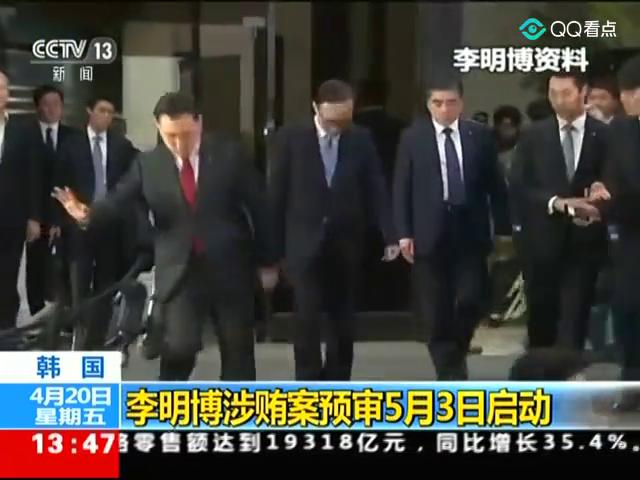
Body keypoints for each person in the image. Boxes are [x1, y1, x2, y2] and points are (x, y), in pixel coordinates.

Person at [54, 92, 277, 380]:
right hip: (179, 273)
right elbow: (118, 199)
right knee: (178, 349)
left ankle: (236, 407)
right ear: (158, 128)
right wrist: (87, 214)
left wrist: (268, 261)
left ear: (199, 123)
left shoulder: (229, 155)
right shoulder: (148, 164)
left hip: (229, 268)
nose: (180, 144)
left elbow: (260, 206)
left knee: (238, 353)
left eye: (186, 134)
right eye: (171, 136)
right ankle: (168, 403)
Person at [269, 79, 398, 381]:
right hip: (303, 242)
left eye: (344, 120)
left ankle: (338, 381)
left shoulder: (361, 138)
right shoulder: (291, 138)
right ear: (316, 108)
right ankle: (308, 382)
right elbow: (276, 194)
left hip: (346, 241)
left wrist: (389, 233)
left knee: (343, 318)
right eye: (332, 121)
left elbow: (376, 187)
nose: (338, 127)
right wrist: (271, 253)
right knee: (306, 317)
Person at [393, 78, 510, 380]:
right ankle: (450, 373)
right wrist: (403, 232)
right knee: (435, 312)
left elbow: (495, 185)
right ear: (428, 105)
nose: (445, 109)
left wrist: (504, 228)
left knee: (471, 300)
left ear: (461, 103)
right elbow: (402, 186)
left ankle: (456, 352)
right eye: (438, 103)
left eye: (451, 102)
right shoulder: (413, 138)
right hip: (428, 232)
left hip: (470, 230)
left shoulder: (478, 136)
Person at [509, 71, 609, 351]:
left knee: (575, 317)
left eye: (566, 93)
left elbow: (613, 177)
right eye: (553, 94)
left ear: (583, 92)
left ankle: (569, 367)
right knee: (542, 317)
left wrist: (600, 193)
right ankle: (540, 369)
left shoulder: (603, 134)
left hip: (585, 241)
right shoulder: (533, 135)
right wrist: (556, 202)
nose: (559, 100)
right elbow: (519, 185)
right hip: (541, 241)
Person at [55, 96, 139, 350]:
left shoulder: (121, 146)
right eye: (102, 110)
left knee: (106, 284)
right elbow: (59, 182)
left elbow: (133, 177)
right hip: (78, 223)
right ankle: (79, 339)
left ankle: (99, 339)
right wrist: (65, 216)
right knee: (79, 282)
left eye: (111, 112)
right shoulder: (71, 144)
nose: (106, 116)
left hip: (109, 224)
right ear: (89, 111)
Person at [592, 54, 640, 411]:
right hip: (630, 240)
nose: (624, 100)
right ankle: (633, 386)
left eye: (628, 93)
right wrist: (601, 198)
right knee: (628, 314)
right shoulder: (620, 131)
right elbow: (612, 180)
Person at [353, 79, 409, 313]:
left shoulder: (350, 130)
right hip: (394, 203)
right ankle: (391, 306)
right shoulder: (402, 130)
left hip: (357, 207)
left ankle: (362, 306)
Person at [26, 85, 77, 316]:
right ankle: (36, 315)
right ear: (37, 107)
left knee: (66, 266)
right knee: (36, 266)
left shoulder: (73, 137)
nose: (52, 109)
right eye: (46, 104)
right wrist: (32, 217)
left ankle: (64, 316)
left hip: (65, 213)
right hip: (35, 213)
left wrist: (63, 217)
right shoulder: (26, 136)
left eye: (56, 104)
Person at [0, 70, 41, 331]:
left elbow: (33, 176)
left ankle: (6, 331)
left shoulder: (22, 129)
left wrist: (34, 217)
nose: (0, 93)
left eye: (3, 88)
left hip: (12, 218)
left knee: (7, 276)